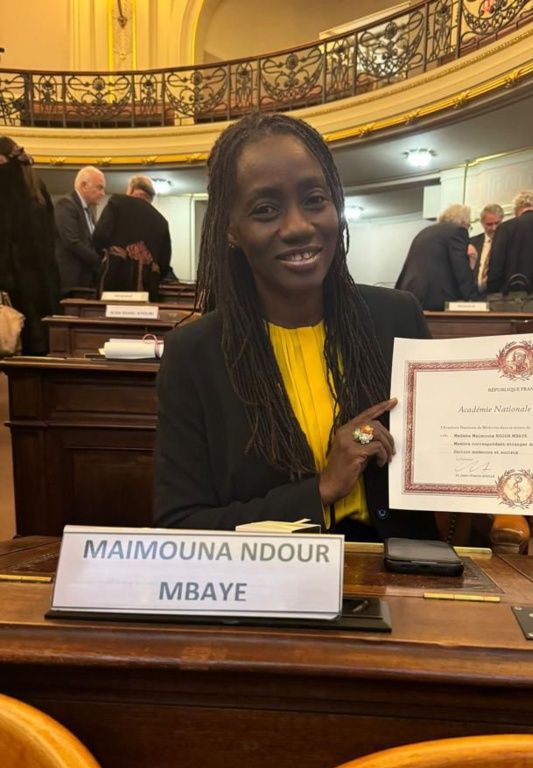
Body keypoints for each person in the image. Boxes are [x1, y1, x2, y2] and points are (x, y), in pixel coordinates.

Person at [153, 113, 438, 541]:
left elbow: (444, 459)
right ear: (231, 228)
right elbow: (180, 525)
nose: (299, 226)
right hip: (268, 584)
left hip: (395, 574)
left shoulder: (397, 318)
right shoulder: (195, 353)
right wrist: (321, 490)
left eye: (315, 200)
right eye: (266, 209)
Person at [0, 137, 61, 355]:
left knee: (17, 341)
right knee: (40, 344)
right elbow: (51, 235)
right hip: (43, 277)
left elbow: (4, 237)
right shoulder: (37, 185)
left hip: (17, 279)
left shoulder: (5, 184)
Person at [94, 174, 172, 302]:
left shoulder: (117, 202)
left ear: (130, 190)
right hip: (146, 291)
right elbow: (164, 264)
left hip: (112, 285)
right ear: (151, 197)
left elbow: (99, 236)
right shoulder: (161, 221)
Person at [395, 204, 478, 310]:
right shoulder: (457, 231)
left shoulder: (425, 232)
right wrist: (473, 300)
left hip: (410, 293)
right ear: (463, 222)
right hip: (436, 296)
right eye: (469, 226)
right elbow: (461, 268)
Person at [54, 165, 106, 295]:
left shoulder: (88, 211)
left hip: (86, 281)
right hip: (71, 282)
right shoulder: (66, 204)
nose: (103, 193)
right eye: (99, 187)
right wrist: (101, 262)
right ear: (84, 185)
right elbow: (72, 242)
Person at [469, 203, 504, 296]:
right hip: (474, 295)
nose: (494, 228)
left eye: (497, 223)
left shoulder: (508, 243)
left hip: (497, 297)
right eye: (489, 224)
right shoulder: (472, 242)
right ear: (482, 223)